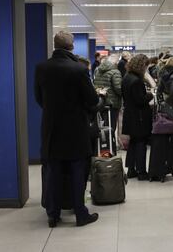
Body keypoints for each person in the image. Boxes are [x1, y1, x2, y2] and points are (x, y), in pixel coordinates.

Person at [35, 31, 99, 228]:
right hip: (75, 129)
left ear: (55, 45)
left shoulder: (42, 67)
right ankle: (80, 213)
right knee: (77, 171)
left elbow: (39, 98)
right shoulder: (78, 69)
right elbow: (92, 100)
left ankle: (53, 215)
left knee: (53, 171)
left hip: (51, 128)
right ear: (71, 47)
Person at [122, 54, 154, 180]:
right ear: (142, 65)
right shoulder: (136, 81)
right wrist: (150, 95)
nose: (146, 68)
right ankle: (141, 171)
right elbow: (140, 100)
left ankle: (131, 169)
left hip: (130, 115)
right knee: (141, 143)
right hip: (139, 116)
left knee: (133, 143)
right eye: (146, 65)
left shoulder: (127, 77)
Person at [94, 57, 122, 134]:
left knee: (103, 126)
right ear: (115, 62)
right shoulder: (115, 72)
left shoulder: (98, 70)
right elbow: (118, 88)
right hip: (113, 103)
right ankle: (111, 144)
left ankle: (104, 143)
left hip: (101, 102)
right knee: (111, 126)